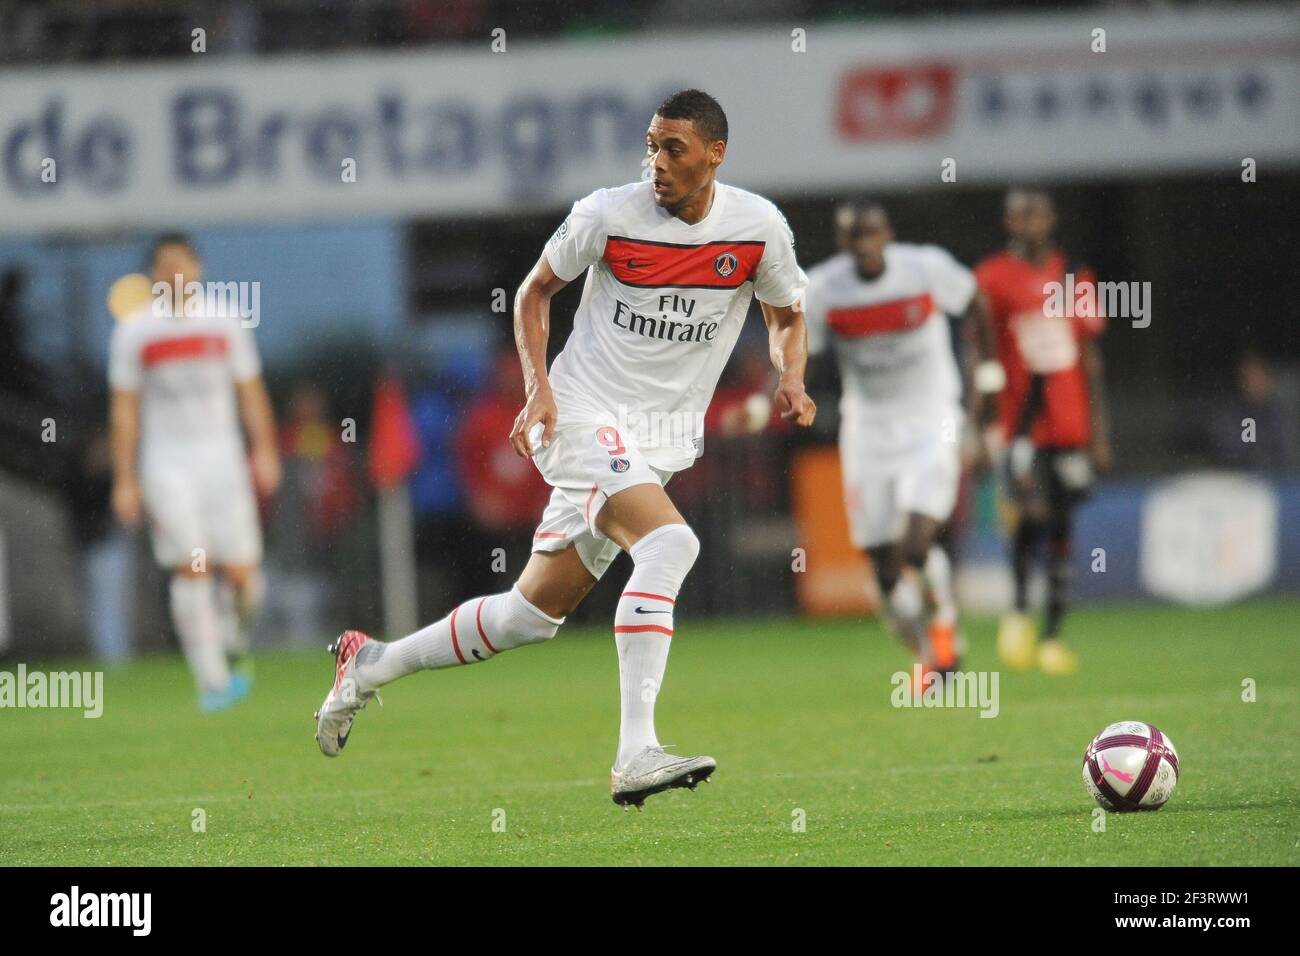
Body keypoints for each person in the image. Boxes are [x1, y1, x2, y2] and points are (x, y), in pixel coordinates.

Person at [314, 89, 816, 808]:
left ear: (715, 154)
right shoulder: (607, 214)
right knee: (671, 545)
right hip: (580, 417)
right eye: (650, 145)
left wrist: (791, 375)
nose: (656, 163)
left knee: (529, 615)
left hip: (657, 444)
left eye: (673, 149)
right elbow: (533, 294)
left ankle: (368, 665)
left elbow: (787, 313)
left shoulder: (758, 227)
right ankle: (636, 753)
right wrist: (538, 388)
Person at [803, 201, 989, 689]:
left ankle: (945, 621)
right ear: (843, 243)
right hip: (868, 429)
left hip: (933, 418)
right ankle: (926, 653)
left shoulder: (924, 269)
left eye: (871, 234)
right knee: (884, 570)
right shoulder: (823, 290)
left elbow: (977, 304)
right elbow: (797, 347)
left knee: (917, 540)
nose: (864, 245)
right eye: (853, 237)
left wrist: (986, 383)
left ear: (886, 235)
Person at [108, 234, 281, 709]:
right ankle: (212, 682)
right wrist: (125, 479)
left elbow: (250, 390)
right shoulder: (134, 331)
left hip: (222, 459)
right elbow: (124, 409)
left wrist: (264, 450)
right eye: (165, 265)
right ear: (152, 274)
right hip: (166, 463)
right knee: (192, 563)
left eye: (183, 263)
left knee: (245, 577)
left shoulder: (224, 320)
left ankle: (232, 640)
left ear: (199, 268)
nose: (175, 273)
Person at [974, 188, 1110, 676]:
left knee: (1062, 524)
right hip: (1020, 423)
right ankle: (1017, 609)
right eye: (1020, 214)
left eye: (1037, 213)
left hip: (1070, 423)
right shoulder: (990, 277)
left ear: (1051, 219)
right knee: (1031, 513)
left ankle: (1053, 636)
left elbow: (1090, 357)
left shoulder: (1075, 276)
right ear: (1009, 222)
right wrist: (980, 421)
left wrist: (1099, 431)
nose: (1029, 222)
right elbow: (979, 350)